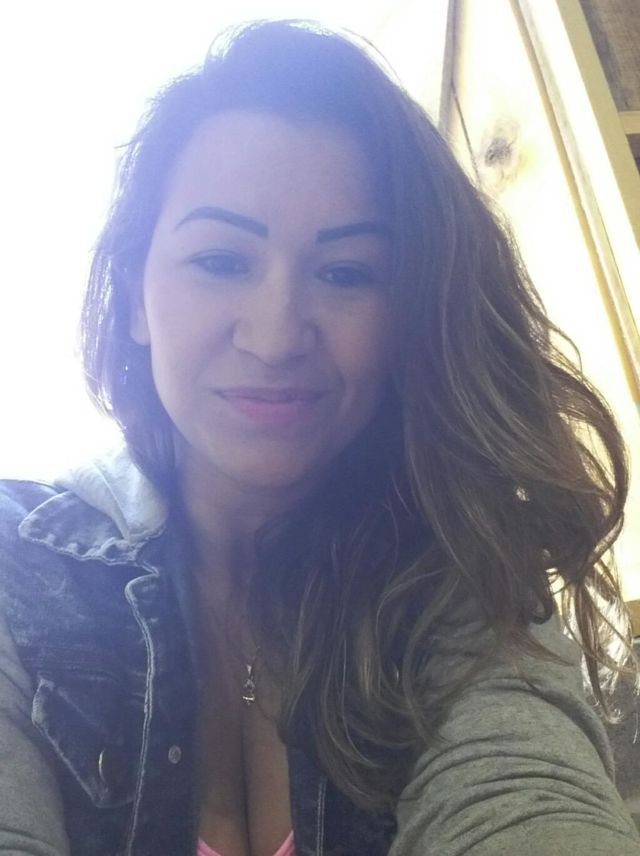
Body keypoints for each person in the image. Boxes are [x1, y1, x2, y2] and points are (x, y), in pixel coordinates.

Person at [0, 18, 638, 856]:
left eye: (345, 273)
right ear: (133, 300)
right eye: (222, 261)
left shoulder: (453, 570)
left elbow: (522, 794)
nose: (275, 337)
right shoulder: (19, 571)